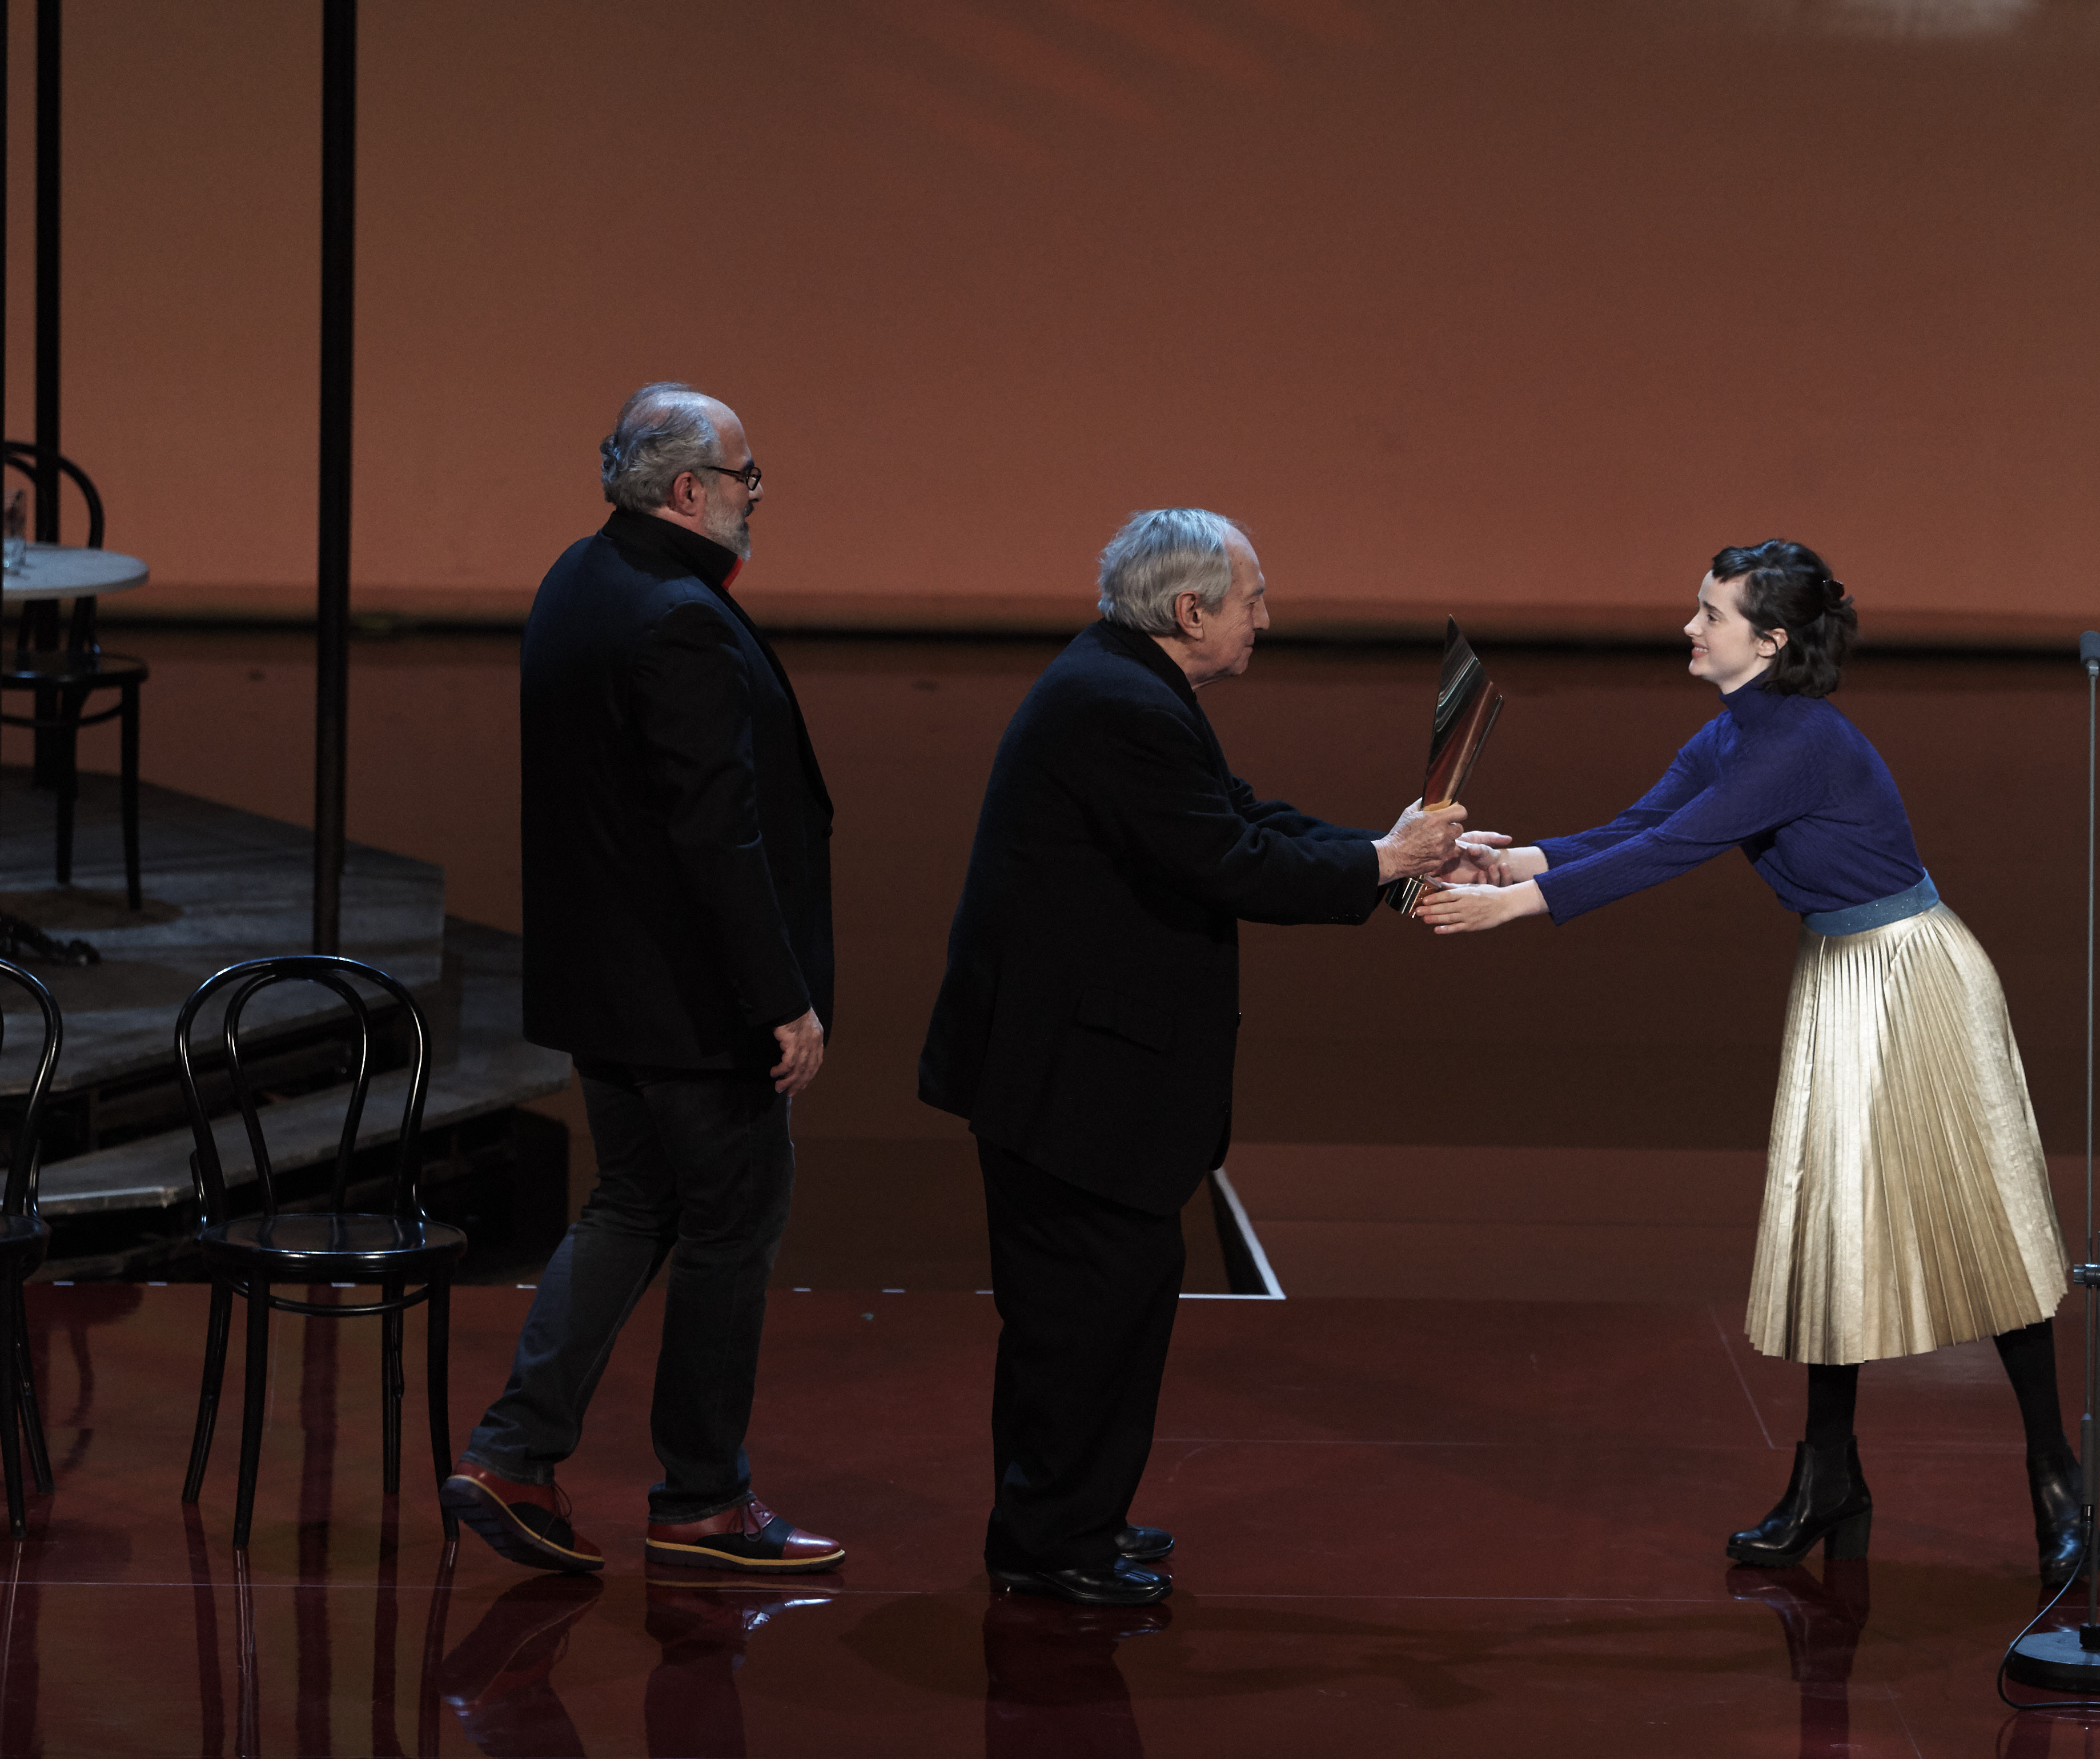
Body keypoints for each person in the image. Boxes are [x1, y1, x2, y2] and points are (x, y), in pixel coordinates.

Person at [1415, 540, 2085, 1589]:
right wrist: (1509, 863)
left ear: (1770, 642)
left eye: (1711, 615)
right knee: (1833, 1227)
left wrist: (1512, 908)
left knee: (1981, 1223)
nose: (1690, 628)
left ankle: (2056, 1480)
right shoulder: (1737, 727)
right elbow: (1641, 824)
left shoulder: (1800, 744)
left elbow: (1668, 853)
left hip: (1914, 979)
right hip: (1842, 978)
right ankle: (1829, 1479)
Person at [919, 508, 1468, 1607]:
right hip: (1072, 1083)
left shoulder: (1126, 684)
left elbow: (1236, 816)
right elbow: (1228, 861)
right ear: (1189, 610)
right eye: (1252, 601)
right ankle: (1049, 1544)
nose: (1265, 619)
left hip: (1085, 1076)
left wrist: (1386, 854)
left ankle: (1078, 1519)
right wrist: (1381, 862)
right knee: (1082, 1318)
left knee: (1112, 1306)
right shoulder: (1118, 706)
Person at [441, 383, 841, 1577]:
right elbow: (715, 834)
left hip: (607, 992)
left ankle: (515, 1453)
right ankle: (704, 1498)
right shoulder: (679, 618)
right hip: (693, 1006)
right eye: (746, 476)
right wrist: (780, 998)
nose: (758, 494)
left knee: (630, 1205)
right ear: (688, 490)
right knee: (733, 1226)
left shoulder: (579, 576)